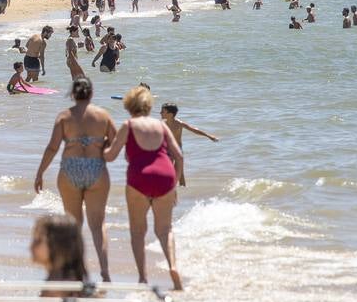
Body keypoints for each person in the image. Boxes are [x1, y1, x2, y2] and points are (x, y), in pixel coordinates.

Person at [33, 76, 115, 282]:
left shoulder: (64, 117)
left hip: (70, 169)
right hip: (96, 169)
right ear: (91, 93)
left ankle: (78, 272)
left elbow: (53, 147)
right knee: (98, 224)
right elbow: (115, 145)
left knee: (74, 224)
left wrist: (40, 172)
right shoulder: (103, 116)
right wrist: (102, 148)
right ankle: (104, 271)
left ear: (73, 94)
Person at [103, 86, 183, 290]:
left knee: (138, 232)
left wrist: (100, 148)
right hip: (165, 176)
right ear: (149, 105)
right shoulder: (162, 126)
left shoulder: (128, 125)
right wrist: (173, 184)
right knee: (165, 230)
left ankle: (143, 278)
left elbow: (111, 156)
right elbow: (179, 156)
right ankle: (173, 266)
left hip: (139, 177)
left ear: (129, 104)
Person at [30, 215, 97, 302]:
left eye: (38, 241)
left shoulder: (58, 287)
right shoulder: (74, 279)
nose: (31, 246)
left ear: (57, 245)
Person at [160, 103, 218, 187]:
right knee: (167, 172)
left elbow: (194, 129)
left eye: (163, 111)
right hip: (167, 151)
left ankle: (183, 192)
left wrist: (208, 136)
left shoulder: (179, 124)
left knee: (180, 173)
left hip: (178, 151)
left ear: (170, 114)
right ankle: (166, 192)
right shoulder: (162, 124)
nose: (160, 113)